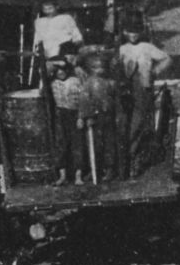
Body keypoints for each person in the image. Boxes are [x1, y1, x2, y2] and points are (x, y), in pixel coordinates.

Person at [117, 27, 171, 177]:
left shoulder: (147, 47)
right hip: (127, 90)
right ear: (125, 32)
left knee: (141, 122)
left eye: (135, 32)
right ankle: (127, 158)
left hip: (143, 89)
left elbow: (166, 58)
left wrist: (154, 72)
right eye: (130, 31)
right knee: (129, 124)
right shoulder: (121, 49)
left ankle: (136, 158)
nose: (133, 35)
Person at [78, 52, 119, 182]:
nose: (99, 70)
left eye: (102, 67)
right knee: (94, 144)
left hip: (108, 117)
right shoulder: (88, 83)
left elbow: (116, 100)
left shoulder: (111, 83)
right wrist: (84, 117)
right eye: (95, 68)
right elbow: (84, 101)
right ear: (90, 69)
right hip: (94, 118)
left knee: (109, 143)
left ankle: (110, 169)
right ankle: (94, 169)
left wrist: (117, 114)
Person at [49, 58, 84, 185]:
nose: (60, 73)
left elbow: (82, 100)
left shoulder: (76, 81)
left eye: (63, 70)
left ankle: (78, 176)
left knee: (77, 144)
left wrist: (80, 117)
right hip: (60, 114)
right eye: (57, 71)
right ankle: (62, 176)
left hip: (73, 113)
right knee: (61, 144)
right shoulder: (52, 83)